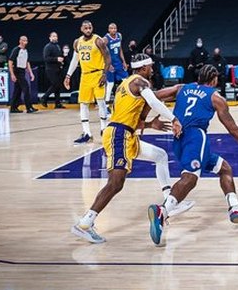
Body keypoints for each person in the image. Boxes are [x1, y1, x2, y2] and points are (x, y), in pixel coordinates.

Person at [147, 65, 238, 247]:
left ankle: (235, 208)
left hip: (178, 138)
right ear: (214, 81)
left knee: (224, 168)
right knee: (191, 177)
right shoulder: (215, 97)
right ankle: (163, 211)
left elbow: (151, 96)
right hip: (196, 137)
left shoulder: (181, 88)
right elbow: (233, 130)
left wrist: (148, 121)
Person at [71, 53, 194, 244]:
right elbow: (154, 101)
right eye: (150, 67)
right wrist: (174, 119)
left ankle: (170, 199)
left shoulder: (126, 85)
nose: (152, 69)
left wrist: (151, 126)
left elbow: (129, 118)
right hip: (118, 135)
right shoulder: (139, 82)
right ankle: (85, 223)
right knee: (116, 182)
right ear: (143, 68)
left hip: (126, 134)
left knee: (160, 155)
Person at [64, 20, 111, 143]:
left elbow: (107, 58)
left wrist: (105, 74)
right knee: (83, 104)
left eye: (90, 27)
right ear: (81, 29)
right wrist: (68, 75)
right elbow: (75, 61)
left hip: (97, 74)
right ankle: (87, 133)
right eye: (86, 28)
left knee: (100, 102)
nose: (88, 30)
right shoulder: (77, 42)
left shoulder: (98, 40)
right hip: (85, 76)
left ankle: (104, 128)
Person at [8, 35, 38, 114]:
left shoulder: (25, 51)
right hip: (17, 71)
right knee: (26, 88)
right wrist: (12, 74)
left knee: (17, 90)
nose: (25, 42)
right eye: (24, 40)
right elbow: (10, 62)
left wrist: (31, 73)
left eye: (26, 40)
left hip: (22, 71)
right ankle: (29, 107)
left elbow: (27, 62)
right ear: (20, 41)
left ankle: (13, 107)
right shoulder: (16, 50)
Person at [104, 23, 129, 105]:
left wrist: (124, 61)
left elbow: (120, 49)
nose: (114, 30)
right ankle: (106, 103)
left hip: (118, 62)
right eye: (112, 28)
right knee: (110, 83)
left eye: (115, 28)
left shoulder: (119, 36)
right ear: (108, 29)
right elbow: (103, 52)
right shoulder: (105, 39)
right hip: (110, 63)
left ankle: (127, 98)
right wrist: (108, 64)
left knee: (126, 80)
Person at [41, 31, 65, 108]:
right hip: (50, 69)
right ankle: (44, 97)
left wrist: (62, 59)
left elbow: (60, 56)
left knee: (58, 86)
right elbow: (46, 58)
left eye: (56, 36)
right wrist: (56, 59)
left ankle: (57, 103)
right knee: (55, 84)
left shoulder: (57, 46)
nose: (55, 38)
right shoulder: (47, 47)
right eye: (53, 36)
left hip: (58, 68)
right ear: (50, 38)